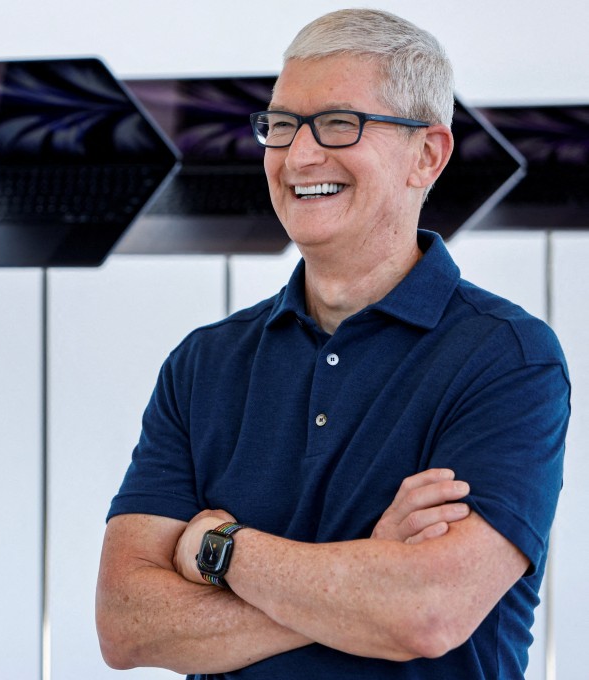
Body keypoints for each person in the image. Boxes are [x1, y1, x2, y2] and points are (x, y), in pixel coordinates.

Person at [95, 8, 570, 680]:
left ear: (427, 155)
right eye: (282, 125)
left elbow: (425, 613)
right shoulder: (203, 364)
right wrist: (362, 584)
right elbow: (126, 624)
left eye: (339, 124)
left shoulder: (507, 358)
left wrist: (217, 549)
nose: (300, 156)